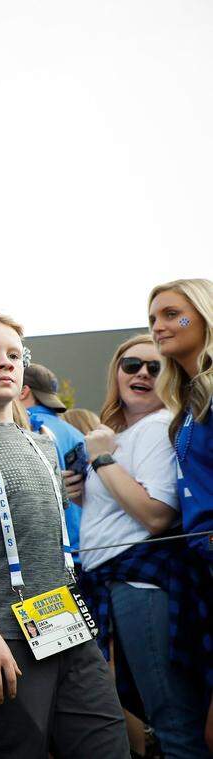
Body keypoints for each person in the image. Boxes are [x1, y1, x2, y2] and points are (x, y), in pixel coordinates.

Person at [0, 312, 127, 757]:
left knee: (108, 747)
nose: (5, 363)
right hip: (0, 636)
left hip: (67, 624)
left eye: (14, 354)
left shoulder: (44, 443)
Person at [75, 334, 209, 757]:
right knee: (153, 715)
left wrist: (101, 460)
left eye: (155, 367)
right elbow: (117, 509)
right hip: (113, 582)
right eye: (132, 365)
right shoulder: (120, 432)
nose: (143, 374)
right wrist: (81, 491)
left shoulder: (158, 427)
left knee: (172, 722)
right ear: (116, 371)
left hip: (141, 582)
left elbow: (155, 515)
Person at [147, 278, 213, 752]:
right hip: (198, 569)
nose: (159, 326)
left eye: (172, 313)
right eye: (153, 319)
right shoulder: (187, 401)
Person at [20, 363, 87, 564]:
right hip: (84, 551)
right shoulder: (75, 431)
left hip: (47, 556)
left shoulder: (24, 426)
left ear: (23, 391)